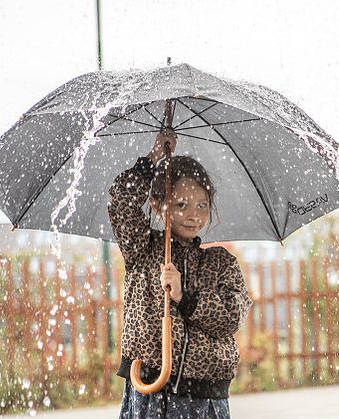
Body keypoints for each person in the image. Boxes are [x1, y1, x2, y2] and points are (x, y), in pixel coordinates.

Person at [108, 128, 252, 419]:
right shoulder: (142, 250)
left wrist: (186, 298)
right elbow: (121, 202)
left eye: (202, 205)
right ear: (158, 206)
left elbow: (233, 315)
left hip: (203, 397)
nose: (193, 215)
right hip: (149, 388)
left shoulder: (220, 263)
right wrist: (153, 159)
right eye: (181, 204)